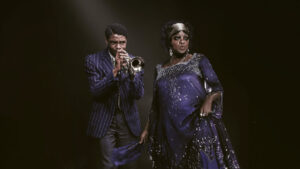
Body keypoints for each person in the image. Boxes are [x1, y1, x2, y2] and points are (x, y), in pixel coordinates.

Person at [140, 21, 240, 169]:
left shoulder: (199, 60)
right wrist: (147, 129)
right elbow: (156, 105)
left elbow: (217, 88)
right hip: (169, 131)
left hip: (197, 125)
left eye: (185, 38)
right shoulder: (159, 69)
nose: (182, 42)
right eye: (177, 38)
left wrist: (209, 99)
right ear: (169, 42)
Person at [85, 23, 144, 169]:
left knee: (130, 165)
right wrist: (115, 72)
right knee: (108, 165)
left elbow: (139, 94)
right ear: (106, 41)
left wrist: (132, 74)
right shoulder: (93, 60)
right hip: (105, 120)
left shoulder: (135, 61)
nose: (119, 47)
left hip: (127, 120)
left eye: (122, 42)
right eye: (114, 42)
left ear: (126, 41)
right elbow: (95, 91)